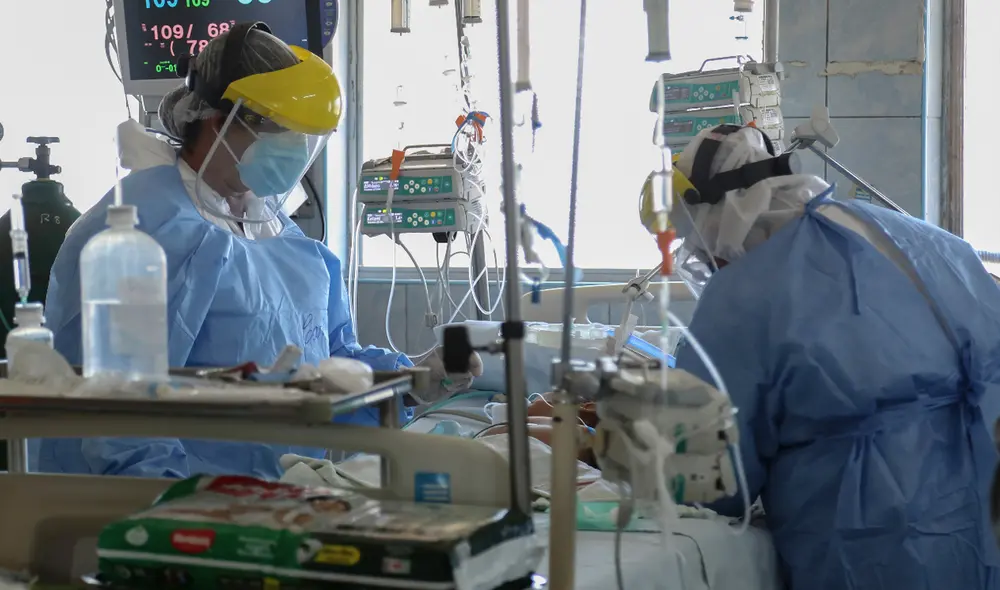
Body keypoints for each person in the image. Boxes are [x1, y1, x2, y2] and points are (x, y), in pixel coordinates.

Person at [35, 23, 480, 479]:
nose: (293, 150)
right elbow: (118, 414)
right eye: (279, 131)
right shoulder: (146, 229)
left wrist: (412, 382)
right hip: (174, 510)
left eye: (304, 137)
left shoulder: (277, 233)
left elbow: (327, 368)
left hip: (276, 496)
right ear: (219, 122)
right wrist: (173, 509)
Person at [669, 124, 1000, 589]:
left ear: (713, 220)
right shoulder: (925, 241)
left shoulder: (744, 293)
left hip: (869, 541)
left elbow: (710, 480)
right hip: (981, 517)